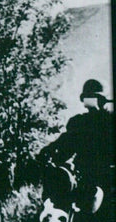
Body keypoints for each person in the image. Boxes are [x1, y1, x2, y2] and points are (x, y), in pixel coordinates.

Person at [40, 79, 114, 214]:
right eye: (89, 98)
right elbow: (65, 146)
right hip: (83, 177)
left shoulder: (109, 121)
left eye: (94, 97)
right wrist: (49, 153)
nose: (91, 101)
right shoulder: (79, 122)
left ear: (101, 100)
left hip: (108, 177)